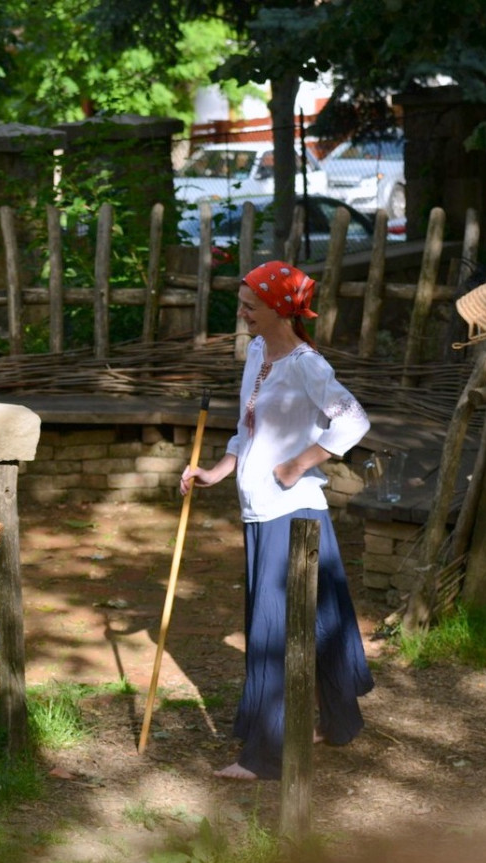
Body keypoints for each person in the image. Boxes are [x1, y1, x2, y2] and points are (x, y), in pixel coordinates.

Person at [179, 260, 374, 781]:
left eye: (250, 306)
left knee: (273, 632)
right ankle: (336, 723)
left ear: (279, 308)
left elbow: (354, 420)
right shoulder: (258, 352)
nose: (242, 314)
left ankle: (265, 756)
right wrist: (217, 471)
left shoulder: (307, 365)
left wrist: (300, 462)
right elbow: (249, 429)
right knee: (312, 622)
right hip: (262, 509)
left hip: (292, 512)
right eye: (242, 304)